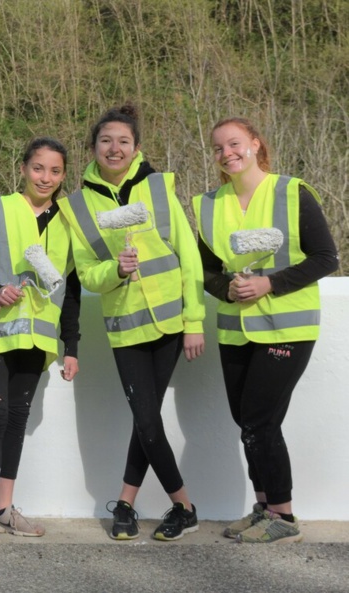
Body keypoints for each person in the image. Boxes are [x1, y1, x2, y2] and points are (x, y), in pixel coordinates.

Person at [59, 104, 205, 541]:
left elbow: (188, 256)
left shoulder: (159, 189)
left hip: (170, 325)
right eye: (106, 141)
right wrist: (116, 270)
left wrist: (194, 319)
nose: (114, 148)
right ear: (93, 148)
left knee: (148, 421)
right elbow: (87, 274)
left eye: (124, 140)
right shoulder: (78, 207)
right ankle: (184, 506)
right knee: (146, 419)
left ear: (137, 147)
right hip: (125, 326)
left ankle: (126, 504)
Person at [192, 117, 338, 543]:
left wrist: (269, 283)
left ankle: (283, 516)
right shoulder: (208, 204)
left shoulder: (293, 192)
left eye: (234, 143)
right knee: (248, 421)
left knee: (258, 419)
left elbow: (326, 257)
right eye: (218, 148)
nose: (227, 153)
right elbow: (205, 269)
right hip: (236, 330)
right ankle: (263, 508)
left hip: (287, 327)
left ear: (255, 144)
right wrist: (229, 290)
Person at [0, 137, 80, 543]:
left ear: (63, 175)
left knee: (16, 419)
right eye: (38, 168)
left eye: (55, 170)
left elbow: (71, 291)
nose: (46, 177)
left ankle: (6, 510)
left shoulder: (68, 222)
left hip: (39, 342)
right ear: (24, 168)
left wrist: (71, 346)